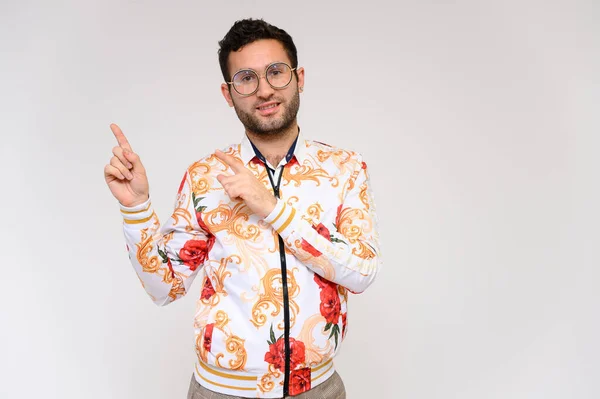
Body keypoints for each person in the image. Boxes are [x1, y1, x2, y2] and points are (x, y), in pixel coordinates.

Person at [104, 18, 381, 399]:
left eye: (276, 72)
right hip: (221, 392)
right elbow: (164, 288)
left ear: (299, 77)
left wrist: (270, 207)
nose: (264, 89)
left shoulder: (345, 168)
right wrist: (136, 208)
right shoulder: (204, 177)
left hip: (320, 389)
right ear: (228, 92)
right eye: (247, 78)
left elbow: (362, 272)